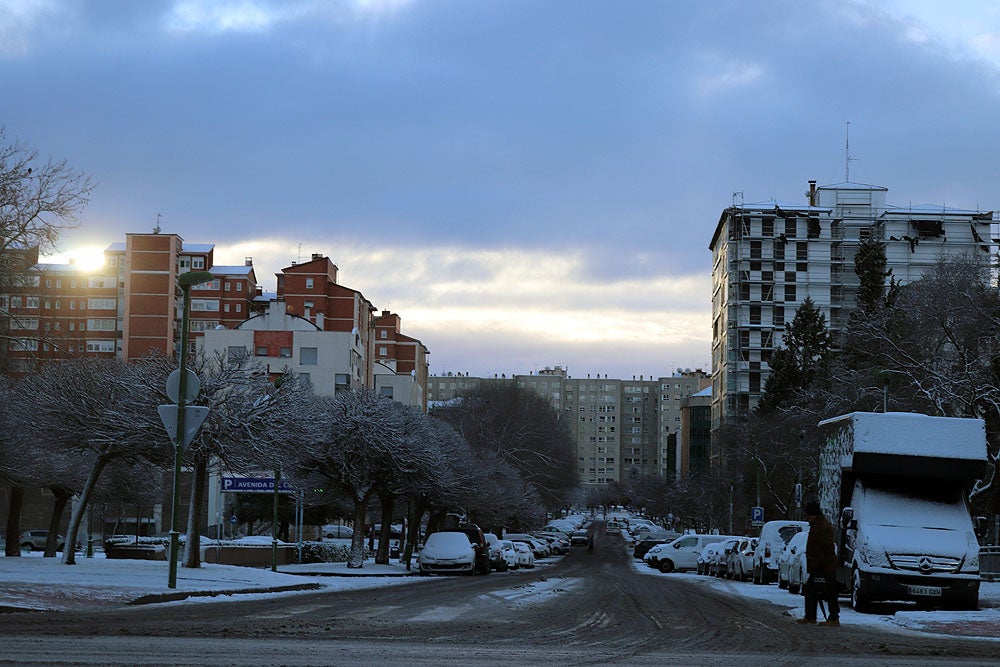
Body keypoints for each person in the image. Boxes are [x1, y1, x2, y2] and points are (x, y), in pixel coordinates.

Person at [798, 499, 840, 627]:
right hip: (819, 565)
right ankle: (811, 616)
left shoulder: (823, 527)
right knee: (810, 590)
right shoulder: (817, 525)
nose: (807, 517)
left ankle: (833, 618)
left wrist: (817, 563)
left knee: (830, 592)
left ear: (814, 514)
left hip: (824, 566)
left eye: (808, 514)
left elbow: (827, 548)